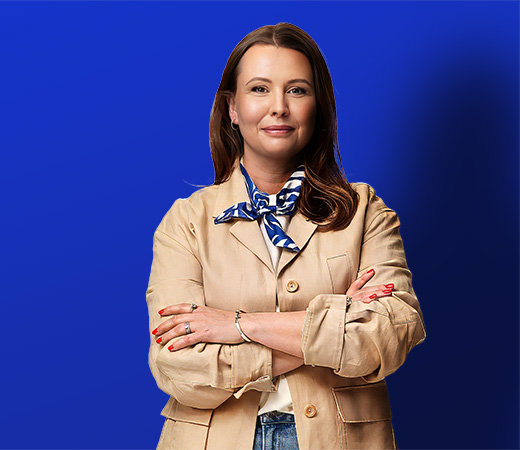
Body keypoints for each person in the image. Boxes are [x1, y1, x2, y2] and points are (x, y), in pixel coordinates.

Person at [146, 23, 425, 450]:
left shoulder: (364, 210)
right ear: (233, 108)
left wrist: (237, 325)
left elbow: (388, 336)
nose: (279, 107)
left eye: (297, 90)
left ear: (319, 106)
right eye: (259, 89)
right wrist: (336, 324)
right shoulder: (186, 221)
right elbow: (179, 366)